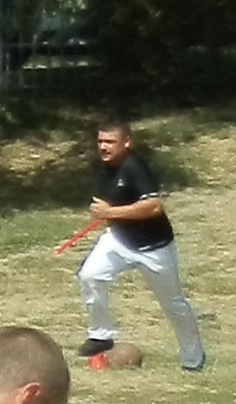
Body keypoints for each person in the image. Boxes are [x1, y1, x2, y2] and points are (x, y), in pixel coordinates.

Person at [56, 116, 203, 373]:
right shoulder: (104, 167)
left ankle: (193, 358)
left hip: (154, 249)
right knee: (90, 275)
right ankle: (101, 334)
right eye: (100, 141)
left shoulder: (136, 168)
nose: (103, 146)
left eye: (110, 142)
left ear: (127, 143)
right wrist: (108, 212)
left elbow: (154, 207)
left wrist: (110, 213)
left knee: (173, 304)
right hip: (119, 240)